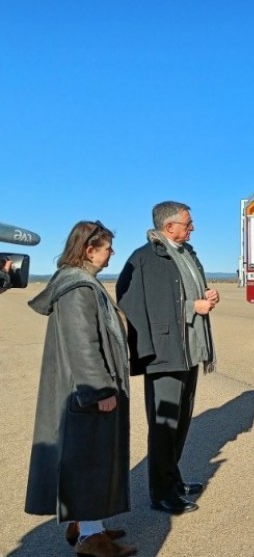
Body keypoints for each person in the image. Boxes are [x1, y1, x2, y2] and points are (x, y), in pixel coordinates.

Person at [25, 221, 136, 557]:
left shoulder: (84, 284)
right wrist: (100, 391)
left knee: (91, 462)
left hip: (84, 391)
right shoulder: (77, 288)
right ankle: (91, 539)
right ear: (89, 250)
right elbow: (83, 345)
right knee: (88, 463)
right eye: (107, 248)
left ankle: (88, 525)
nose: (111, 254)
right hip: (85, 393)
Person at [116, 201, 219, 515]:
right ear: (168, 226)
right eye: (188, 223)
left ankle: (173, 480)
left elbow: (185, 293)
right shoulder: (144, 259)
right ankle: (161, 493)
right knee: (164, 426)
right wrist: (190, 309)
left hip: (188, 350)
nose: (193, 228)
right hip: (164, 353)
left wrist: (206, 296)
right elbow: (130, 302)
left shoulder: (186, 253)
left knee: (180, 421)